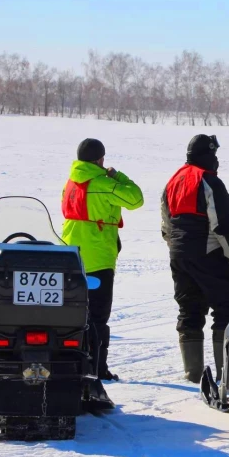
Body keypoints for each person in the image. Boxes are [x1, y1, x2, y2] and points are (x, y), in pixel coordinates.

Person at [161, 134, 229, 383]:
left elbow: (165, 224)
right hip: (207, 252)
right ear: (208, 154)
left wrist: (177, 248)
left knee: (189, 309)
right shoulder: (208, 181)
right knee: (228, 308)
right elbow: (222, 224)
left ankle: (193, 373)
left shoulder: (173, 180)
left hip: (177, 252)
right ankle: (225, 373)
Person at [62, 138, 144, 381]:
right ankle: (97, 368)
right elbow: (136, 199)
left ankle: (72, 363)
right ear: (100, 160)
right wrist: (119, 177)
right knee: (98, 316)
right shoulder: (103, 183)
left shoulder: (70, 184)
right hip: (97, 258)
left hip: (70, 255)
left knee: (74, 313)